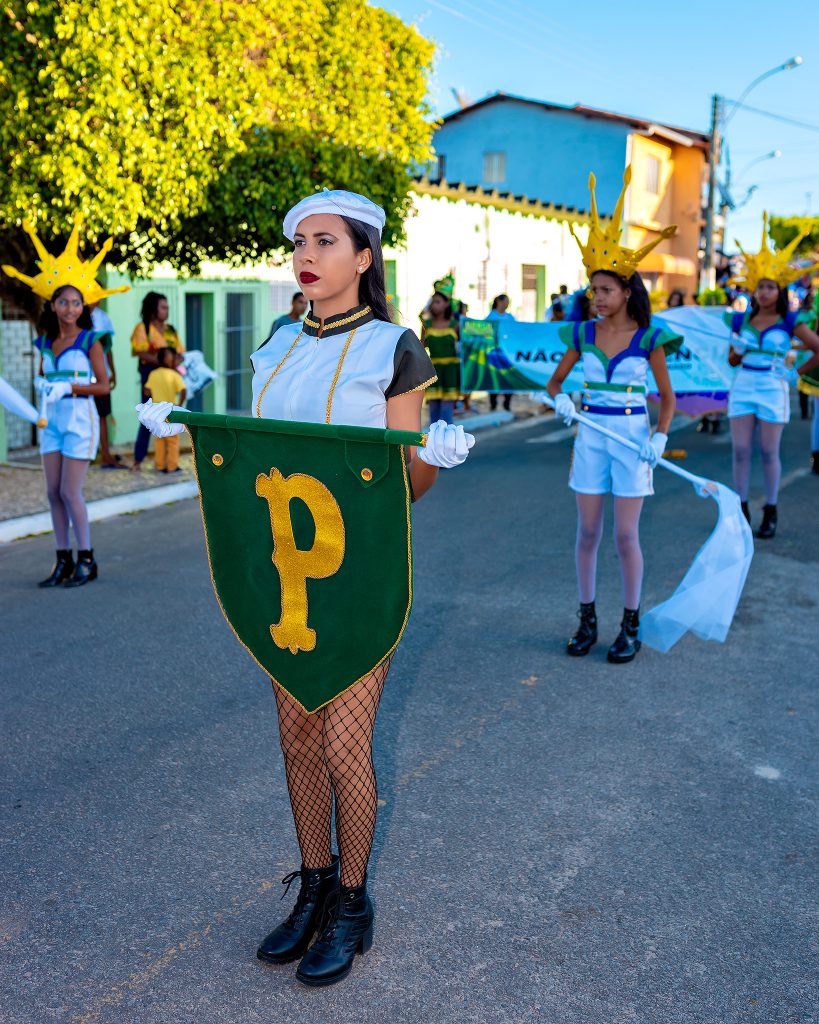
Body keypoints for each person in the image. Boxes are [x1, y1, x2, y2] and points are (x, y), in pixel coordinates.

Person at [135, 188, 474, 987]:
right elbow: (260, 455)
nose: (307, 256)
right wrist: (188, 431)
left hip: (357, 574)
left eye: (326, 242)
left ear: (363, 257)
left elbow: (405, 485)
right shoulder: (278, 342)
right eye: (300, 243)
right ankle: (314, 885)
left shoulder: (395, 347)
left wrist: (433, 456)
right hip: (286, 575)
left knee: (343, 744)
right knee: (295, 740)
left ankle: (353, 902)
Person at [546, 167, 680, 663]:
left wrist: (660, 436)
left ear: (626, 291)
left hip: (632, 440)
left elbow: (667, 399)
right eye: (592, 290)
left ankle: (631, 624)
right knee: (587, 533)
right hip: (591, 437)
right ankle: (587, 621)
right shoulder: (583, 333)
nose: (595, 298)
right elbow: (555, 382)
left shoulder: (649, 337)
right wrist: (561, 399)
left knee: (626, 535)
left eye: (604, 290)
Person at [1, 216, 127, 587]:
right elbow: (43, 376)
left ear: (83, 306)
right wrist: (43, 386)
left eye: (76, 303)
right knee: (52, 492)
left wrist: (70, 389)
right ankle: (63, 560)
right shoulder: (44, 343)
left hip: (79, 423)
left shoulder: (91, 341)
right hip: (50, 423)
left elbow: (104, 387)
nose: (70, 308)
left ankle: (87, 559)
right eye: (63, 302)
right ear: (53, 305)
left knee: (71, 492)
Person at [725, 215, 819, 537]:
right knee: (740, 451)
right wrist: (738, 349)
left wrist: (795, 373)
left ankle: (771, 509)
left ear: (779, 290)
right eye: (760, 287)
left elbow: (817, 349)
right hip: (743, 386)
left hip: (773, 388)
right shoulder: (741, 321)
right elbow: (732, 361)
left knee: (768, 452)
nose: (764, 292)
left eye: (770, 287)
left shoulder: (791, 321)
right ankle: (741, 509)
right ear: (753, 290)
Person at [130, 292, 184, 470]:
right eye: (163, 307)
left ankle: (169, 463)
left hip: (170, 376)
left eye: (167, 307)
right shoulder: (143, 328)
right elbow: (140, 352)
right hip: (151, 375)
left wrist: (175, 363)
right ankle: (139, 458)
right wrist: (163, 362)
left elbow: (180, 353)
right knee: (148, 414)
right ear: (153, 309)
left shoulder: (170, 330)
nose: (167, 310)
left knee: (170, 412)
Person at [90, 302, 124, 468]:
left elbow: (108, 347)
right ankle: (88, 454)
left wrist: (112, 370)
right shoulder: (75, 315)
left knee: (102, 415)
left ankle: (105, 454)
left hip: (100, 375)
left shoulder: (102, 317)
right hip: (82, 376)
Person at [421, 289, 460, 424]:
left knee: (446, 409)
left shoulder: (456, 325)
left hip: (450, 370)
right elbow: (421, 347)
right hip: (433, 370)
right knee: (433, 408)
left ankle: (448, 436)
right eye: (432, 302)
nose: (434, 305)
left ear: (446, 304)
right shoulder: (427, 324)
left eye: (437, 302)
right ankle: (433, 436)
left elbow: (463, 348)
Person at [144, 348, 186, 472]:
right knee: (172, 440)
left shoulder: (153, 374)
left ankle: (160, 465)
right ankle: (172, 466)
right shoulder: (174, 375)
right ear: (168, 360)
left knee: (159, 440)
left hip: (157, 413)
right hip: (171, 412)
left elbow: (146, 391)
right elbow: (183, 391)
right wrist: (179, 405)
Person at [486, 294, 515, 412]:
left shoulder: (510, 317)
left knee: (508, 378)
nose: (506, 304)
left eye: (508, 302)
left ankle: (507, 403)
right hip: (494, 353)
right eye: (504, 301)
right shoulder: (491, 317)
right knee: (494, 378)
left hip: (507, 353)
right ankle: (493, 403)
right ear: (498, 301)